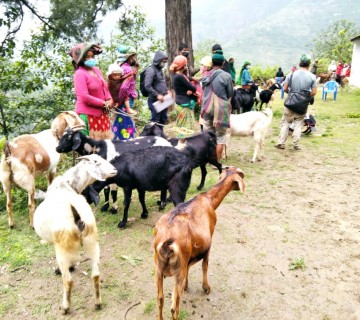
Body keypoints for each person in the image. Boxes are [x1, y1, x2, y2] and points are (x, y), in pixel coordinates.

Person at [68, 42, 114, 140]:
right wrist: (103, 103)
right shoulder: (79, 74)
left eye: (92, 56)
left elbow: (104, 88)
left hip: (102, 115)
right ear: (80, 59)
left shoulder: (96, 70)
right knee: (91, 148)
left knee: (105, 146)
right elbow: (84, 97)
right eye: (87, 57)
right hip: (88, 116)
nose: (90, 59)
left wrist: (110, 100)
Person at [275, 54, 317, 151]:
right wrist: (304, 97)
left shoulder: (291, 74)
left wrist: (292, 94)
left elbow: (284, 88)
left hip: (290, 103)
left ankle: (281, 143)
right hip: (302, 105)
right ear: (309, 64)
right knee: (298, 124)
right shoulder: (312, 77)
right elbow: (314, 92)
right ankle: (295, 145)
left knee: (286, 123)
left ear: (300, 63)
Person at [201, 50, 233, 161]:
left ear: (212, 62)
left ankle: (206, 159)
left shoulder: (205, 76)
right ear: (223, 63)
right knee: (220, 136)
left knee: (208, 136)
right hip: (220, 110)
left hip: (207, 108)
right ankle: (215, 161)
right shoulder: (226, 76)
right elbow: (230, 93)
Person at [106, 63, 136, 140]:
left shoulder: (121, 81)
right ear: (110, 75)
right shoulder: (110, 84)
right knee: (118, 122)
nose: (117, 77)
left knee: (126, 120)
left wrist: (131, 73)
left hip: (123, 102)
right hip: (115, 104)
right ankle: (117, 138)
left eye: (119, 75)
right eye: (115, 75)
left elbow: (125, 94)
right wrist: (113, 102)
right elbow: (108, 94)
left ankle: (128, 138)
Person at [170, 55, 198, 137]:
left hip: (179, 103)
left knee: (181, 125)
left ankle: (181, 144)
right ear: (183, 66)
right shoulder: (180, 77)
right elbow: (193, 88)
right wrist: (190, 89)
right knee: (186, 128)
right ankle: (183, 145)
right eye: (186, 64)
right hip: (184, 104)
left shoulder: (175, 75)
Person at [144, 50, 170, 128]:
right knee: (155, 121)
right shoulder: (151, 70)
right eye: (163, 61)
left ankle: (160, 136)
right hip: (155, 100)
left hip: (163, 100)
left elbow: (160, 83)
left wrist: (166, 91)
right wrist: (157, 95)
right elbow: (147, 85)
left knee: (163, 119)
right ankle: (152, 137)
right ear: (158, 60)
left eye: (165, 62)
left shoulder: (159, 69)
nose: (164, 64)